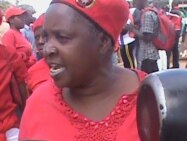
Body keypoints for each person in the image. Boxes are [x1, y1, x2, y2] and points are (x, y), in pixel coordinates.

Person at [19, 0, 147, 140]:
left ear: (103, 41)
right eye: (46, 37)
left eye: (62, 37)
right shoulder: (39, 104)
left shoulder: (153, 98)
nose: (47, 49)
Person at [0, 11, 28, 140]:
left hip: (8, 126)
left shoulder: (6, 51)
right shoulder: (6, 49)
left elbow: (22, 81)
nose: (22, 19)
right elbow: (22, 83)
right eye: (19, 16)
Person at [130, 0, 160, 73]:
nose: (133, 3)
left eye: (134, 1)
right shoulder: (149, 12)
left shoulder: (147, 15)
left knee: (149, 80)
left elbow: (147, 37)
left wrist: (131, 29)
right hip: (150, 55)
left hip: (148, 54)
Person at [25, 14, 50, 93]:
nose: (40, 41)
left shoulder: (75, 68)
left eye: (45, 36)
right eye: (36, 37)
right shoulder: (32, 71)